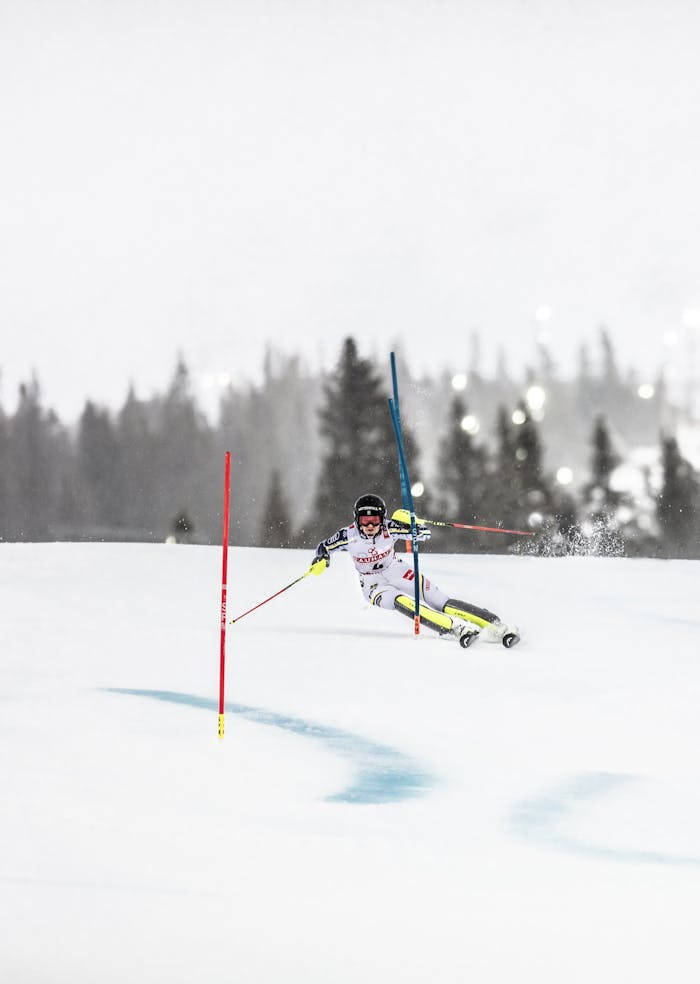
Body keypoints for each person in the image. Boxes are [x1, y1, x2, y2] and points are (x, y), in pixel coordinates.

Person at [310, 493, 520, 648]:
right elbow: (323, 547)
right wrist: (321, 560)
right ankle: (454, 628)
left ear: (382, 519)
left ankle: (496, 625)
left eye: (374, 519)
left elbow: (424, 534)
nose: (370, 525)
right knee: (401, 601)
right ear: (357, 520)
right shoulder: (348, 535)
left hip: (396, 569)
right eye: (365, 520)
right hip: (373, 583)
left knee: (439, 600)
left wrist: (412, 523)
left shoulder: (390, 527)